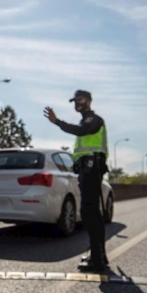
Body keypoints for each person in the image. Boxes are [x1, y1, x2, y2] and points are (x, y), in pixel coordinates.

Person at [44, 90, 109, 272]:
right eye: (74, 101)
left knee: (89, 214)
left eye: (79, 100)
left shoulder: (94, 119)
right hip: (87, 170)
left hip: (92, 169)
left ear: (88, 100)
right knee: (93, 213)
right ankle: (99, 256)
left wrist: (57, 122)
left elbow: (82, 131)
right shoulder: (86, 120)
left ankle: (97, 259)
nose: (76, 104)